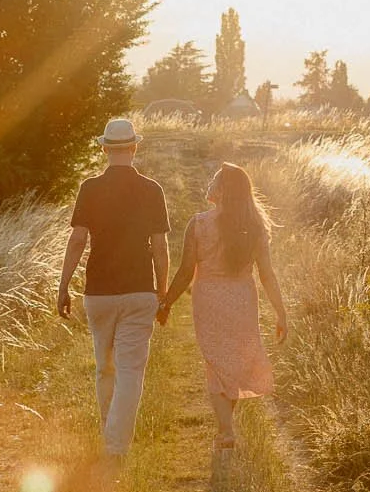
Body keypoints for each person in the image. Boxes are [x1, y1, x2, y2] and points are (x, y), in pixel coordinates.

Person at [56, 116, 170, 464]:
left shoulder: (90, 188)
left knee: (105, 368)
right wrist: (162, 292)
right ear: (134, 147)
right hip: (138, 292)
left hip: (98, 293)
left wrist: (63, 287)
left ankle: (110, 435)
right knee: (130, 371)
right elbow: (160, 247)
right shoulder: (152, 189)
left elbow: (77, 241)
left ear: (105, 149)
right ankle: (115, 447)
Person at [157, 161, 287, 451]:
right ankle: (225, 429)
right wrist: (281, 312)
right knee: (235, 360)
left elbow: (186, 270)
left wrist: (167, 302)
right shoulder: (254, 227)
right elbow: (266, 273)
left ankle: (226, 431)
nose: (209, 184)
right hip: (242, 297)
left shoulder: (199, 223)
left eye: (215, 180)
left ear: (223, 190)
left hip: (210, 299)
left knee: (216, 361)